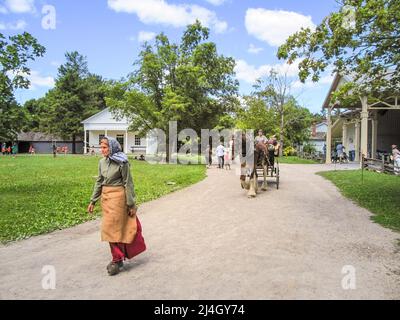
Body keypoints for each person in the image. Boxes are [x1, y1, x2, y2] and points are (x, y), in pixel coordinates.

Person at [87, 137, 143, 276]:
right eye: (101, 147)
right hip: (106, 199)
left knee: (114, 230)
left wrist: (131, 204)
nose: (102, 150)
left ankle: (117, 259)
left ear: (112, 147)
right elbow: (99, 182)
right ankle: (118, 259)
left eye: (105, 147)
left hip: (118, 199)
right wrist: (93, 200)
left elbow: (128, 183)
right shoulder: (101, 162)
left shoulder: (122, 162)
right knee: (109, 229)